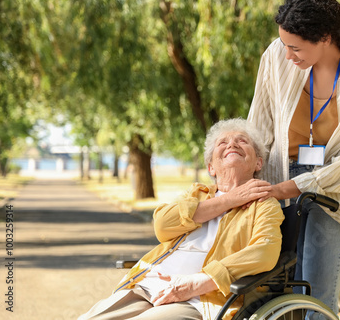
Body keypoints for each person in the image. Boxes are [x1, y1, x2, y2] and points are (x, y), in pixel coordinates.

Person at [247, 0, 340, 316]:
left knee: (316, 300)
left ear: (326, 38)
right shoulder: (276, 56)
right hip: (276, 178)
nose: (287, 55)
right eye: (284, 43)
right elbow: (259, 125)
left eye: (295, 48)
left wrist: (293, 188)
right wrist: (247, 181)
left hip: (334, 192)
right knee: (266, 295)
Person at [78, 119, 284, 320]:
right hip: (149, 285)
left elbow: (264, 251)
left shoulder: (264, 205)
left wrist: (197, 283)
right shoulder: (196, 194)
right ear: (211, 167)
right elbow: (162, 225)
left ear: (258, 162)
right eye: (223, 142)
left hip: (199, 300)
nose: (232, 144)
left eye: (242, 141)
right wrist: (231, 199)